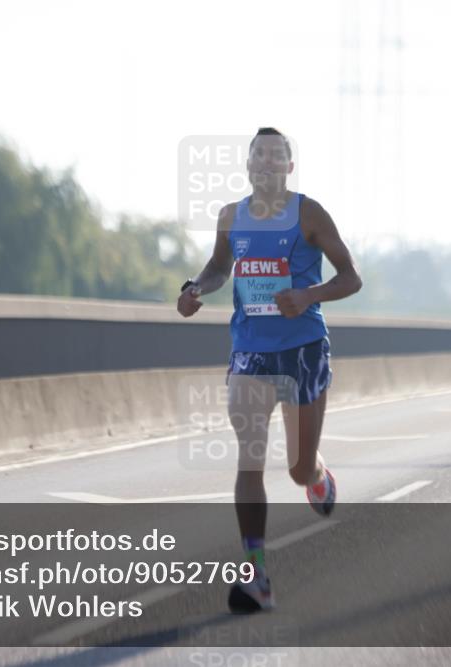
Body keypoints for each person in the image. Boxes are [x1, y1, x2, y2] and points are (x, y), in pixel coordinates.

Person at [177, 128, 362, 613]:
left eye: (275, 156)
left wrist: (308, 296)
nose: (265, 163)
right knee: (249, 456)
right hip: (250, 352)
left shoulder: (310, 213)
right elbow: (220, 266)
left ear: (288, 167)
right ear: (248, 164)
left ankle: (318, 474)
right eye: (257, 155)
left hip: (302, 349)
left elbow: (351, 277)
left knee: (298, 469)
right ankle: (256, 576)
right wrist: (195, 288)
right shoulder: (229, 216)